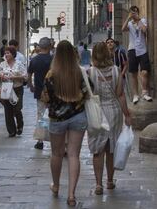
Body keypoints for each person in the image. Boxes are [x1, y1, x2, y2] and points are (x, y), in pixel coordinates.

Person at [41, 40, 89, 207]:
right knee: (74, 155)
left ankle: (56, 186)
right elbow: (87, 94)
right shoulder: (80, 72)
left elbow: (45, 98)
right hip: (78, 116)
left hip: (58, 119)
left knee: (57, 154)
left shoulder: (51, 74)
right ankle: (71, 195)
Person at [88, 42, 132, 196]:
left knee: (97, 150)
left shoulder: (90, 73)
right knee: (111, 149)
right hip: (113, 112)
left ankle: (98, 184)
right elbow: (120, 94)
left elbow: (88, 96)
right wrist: (126, 114)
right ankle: (110, 181)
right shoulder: (116, 70)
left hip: (96, 114)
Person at [122, 5, 152, 103]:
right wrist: (128, 18)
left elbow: (144, 30)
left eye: (135, 12)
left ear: (138, 12)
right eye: (132, 12)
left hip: (142, 50)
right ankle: (135, 94)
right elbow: (123, 29)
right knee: (133, 73)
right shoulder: (130, 23)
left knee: (145, 72)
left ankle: (145, 92)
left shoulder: (143, 21)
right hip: (132, 49)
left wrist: (138, 20)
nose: (134, 13)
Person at [27, 37, 53, 150]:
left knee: (41, 116)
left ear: (40, 47)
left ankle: (40, 140)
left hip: (39, 92)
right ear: (49, 46)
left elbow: (29, 75)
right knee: (54, 116)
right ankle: (54, 139)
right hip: (53, 93)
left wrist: (31, 86)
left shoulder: (34, 60)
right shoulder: (53, 60)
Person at [0, 46, 27, 137]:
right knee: (8, 109)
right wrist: (1, 76)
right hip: (6, 88)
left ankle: (20, 124)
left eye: (8, 53)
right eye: (5, 53)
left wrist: (14, 77)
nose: (6, 55)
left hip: (17, 88)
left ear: (13, 54)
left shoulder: (19, 64)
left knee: (17, 108)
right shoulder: (2, 64)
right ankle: (11, 131)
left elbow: (25, 76)